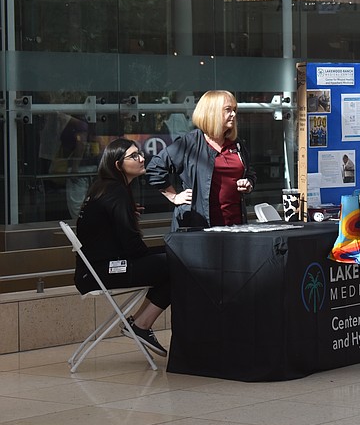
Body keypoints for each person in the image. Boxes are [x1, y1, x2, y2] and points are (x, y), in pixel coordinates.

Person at [74, 139, 170, 356]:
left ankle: (138, 323)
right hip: (101, 271)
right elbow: (132, 247)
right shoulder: (115, 191)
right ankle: (141, 325)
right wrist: (154, 258)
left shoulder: (105, 188)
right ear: (118, 165)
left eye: (140, 154)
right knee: (176, 264)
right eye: (134, 156)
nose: (142, 158)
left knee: (171, 256)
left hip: (95, 268)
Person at [147, 90, 256, 231]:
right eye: (228, 110)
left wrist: (248, 183)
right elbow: (154, 168)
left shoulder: (237, 144)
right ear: (212, 112)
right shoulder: (190, 143)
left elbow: (250, 173)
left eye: (234, 110)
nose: (234, 115)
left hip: (235, 226)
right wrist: (174, 196)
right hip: (200, 227)